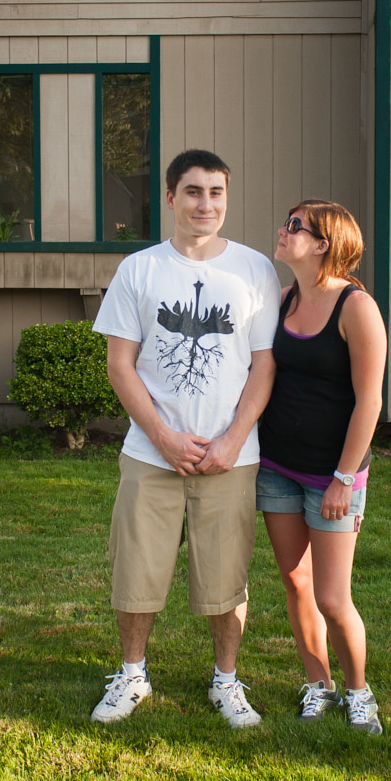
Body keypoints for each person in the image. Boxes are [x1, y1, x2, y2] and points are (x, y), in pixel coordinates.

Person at [90, 149, 280, 728]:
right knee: (137, 570)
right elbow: (120, 365)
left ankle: (226, 680)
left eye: (217, 192)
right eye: (193, 192)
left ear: (227, 198)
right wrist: (165, 437)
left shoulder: (254, 271)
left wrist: (232, 441)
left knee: (227, 577)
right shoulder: (140, 269)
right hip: (151, 454)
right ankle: (131, 673)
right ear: (170, 198)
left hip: (231, 458)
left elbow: (264, 367)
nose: (206, 204)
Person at [256, 199, 387, 733]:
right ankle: (319, 685)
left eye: (295, 227)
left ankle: (359, 692)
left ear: (323, 244)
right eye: (286, 222)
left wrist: (341, 478)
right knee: (294, 581)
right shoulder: (285, 299)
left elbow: (369, 402)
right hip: (278, 467)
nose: (283, 232)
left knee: (333, 597)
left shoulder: (356, 309)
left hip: (333, 476)